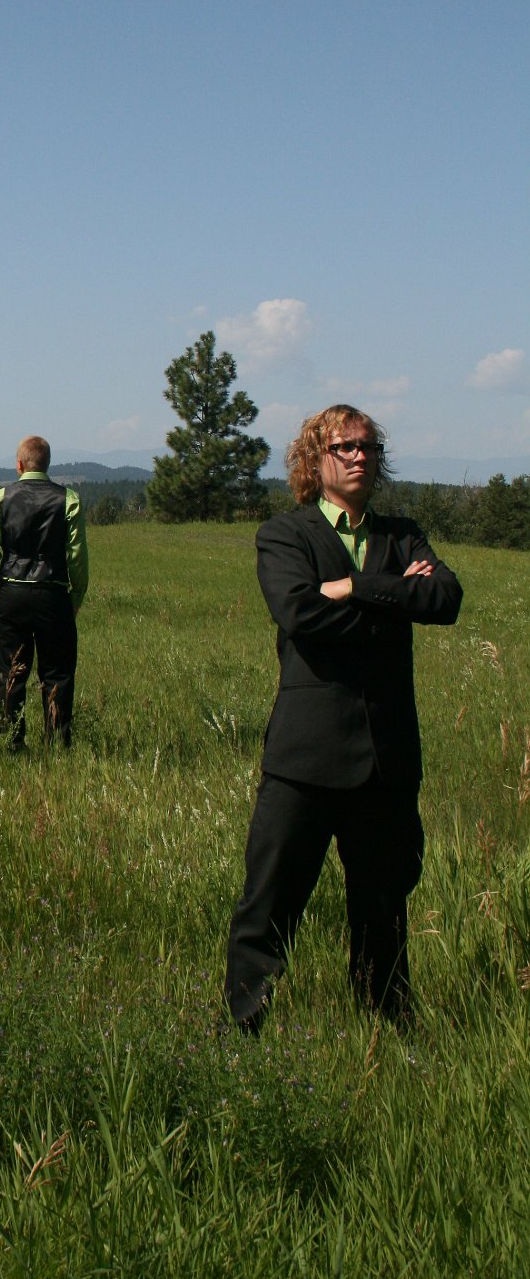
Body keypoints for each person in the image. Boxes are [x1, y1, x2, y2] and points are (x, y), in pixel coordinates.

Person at [225, 405, 462, 1031]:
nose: (360, 457)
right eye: (345, 447)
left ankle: (387, 1028)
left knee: (383, 909)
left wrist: (356, 587)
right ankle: (242, 1031)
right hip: (305, 757)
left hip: (386, 760)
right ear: (315, 459)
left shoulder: (403, 534)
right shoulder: (286, 535)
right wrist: (396, 599)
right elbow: (300, 614)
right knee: (268, 905)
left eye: (369, 448)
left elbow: (444, 598)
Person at [0, 435, 88, 749]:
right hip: (54, 595)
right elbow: (77, 558)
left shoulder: (0, 499)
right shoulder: (69, 500)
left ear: (19, 464)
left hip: (11, 594)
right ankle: (57, 745)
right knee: (58, 674)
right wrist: (75, 598)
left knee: (10, 673)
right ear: (47, 464)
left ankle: (13, 744)